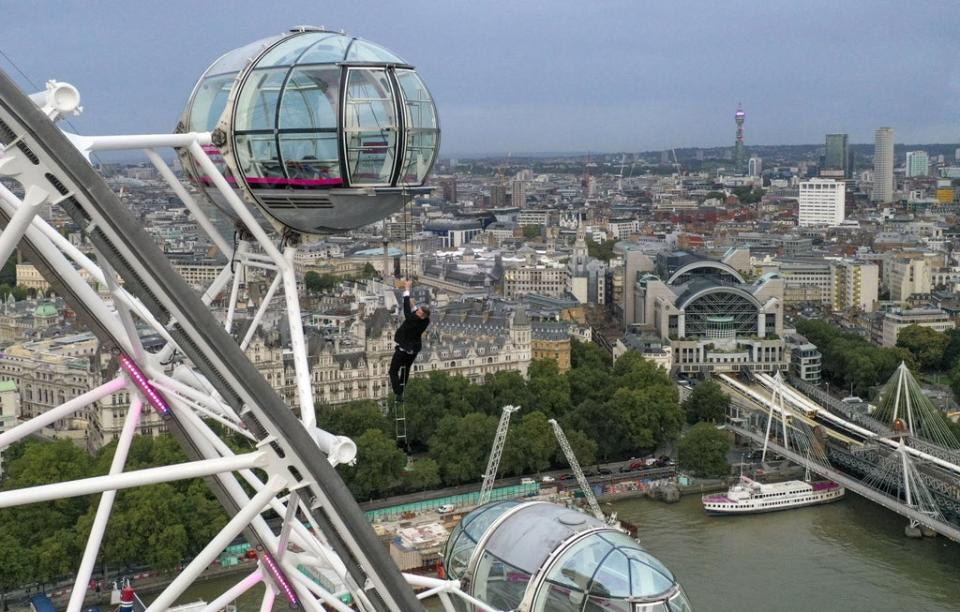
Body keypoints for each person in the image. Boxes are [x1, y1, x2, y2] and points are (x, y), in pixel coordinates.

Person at [389, 279, 430, 400]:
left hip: (403, 349)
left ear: (421, 315)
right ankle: (401, 391)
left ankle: (398, 393)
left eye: (418, 312)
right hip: (413, 350)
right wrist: (415, 306)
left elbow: (407, 312)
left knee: (393, 371)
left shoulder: (413, 319)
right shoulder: (425, 321)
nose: (417, 311)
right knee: (405, 370)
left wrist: (407, 290)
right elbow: (417, 313)